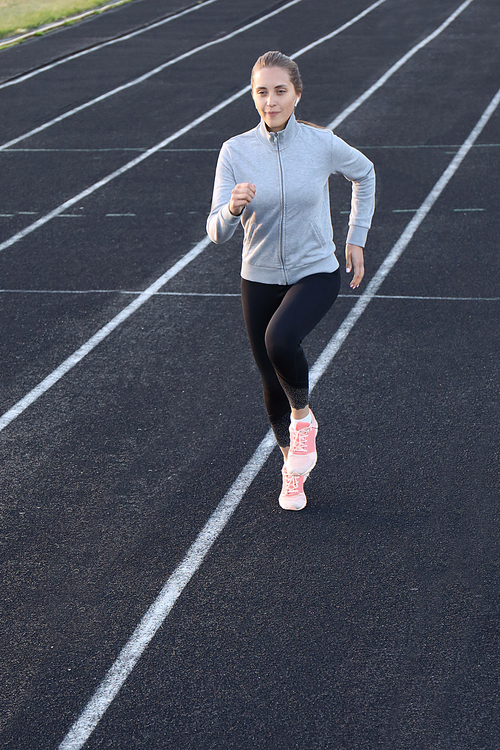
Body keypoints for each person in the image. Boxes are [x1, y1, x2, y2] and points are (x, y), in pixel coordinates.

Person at [207, 51, 375, 511]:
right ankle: (293, 468)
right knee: (269, 377)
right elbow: (216, 232)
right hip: (257, 277)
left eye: (280, 90)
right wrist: (233, 208)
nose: (270, 100)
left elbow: (364, 172)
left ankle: (305, 420)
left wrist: (355, 238)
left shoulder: (321, 144)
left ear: (297, 94)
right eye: (262, 91)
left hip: (315, 271)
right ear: (253, 96)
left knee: (280, 340)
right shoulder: (235, 152)